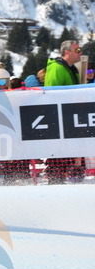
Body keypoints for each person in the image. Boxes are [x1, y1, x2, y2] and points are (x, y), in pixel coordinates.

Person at [44, 40, 84, 184]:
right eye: (77, 50)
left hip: (69, 116)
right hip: (58, 117)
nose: (80, 53)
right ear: (67, 52)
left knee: (69, 151)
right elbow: (51, 93)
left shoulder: (72, 69)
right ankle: (55, 178)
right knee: (58, 152)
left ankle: (68, 177)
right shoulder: (57, 68)